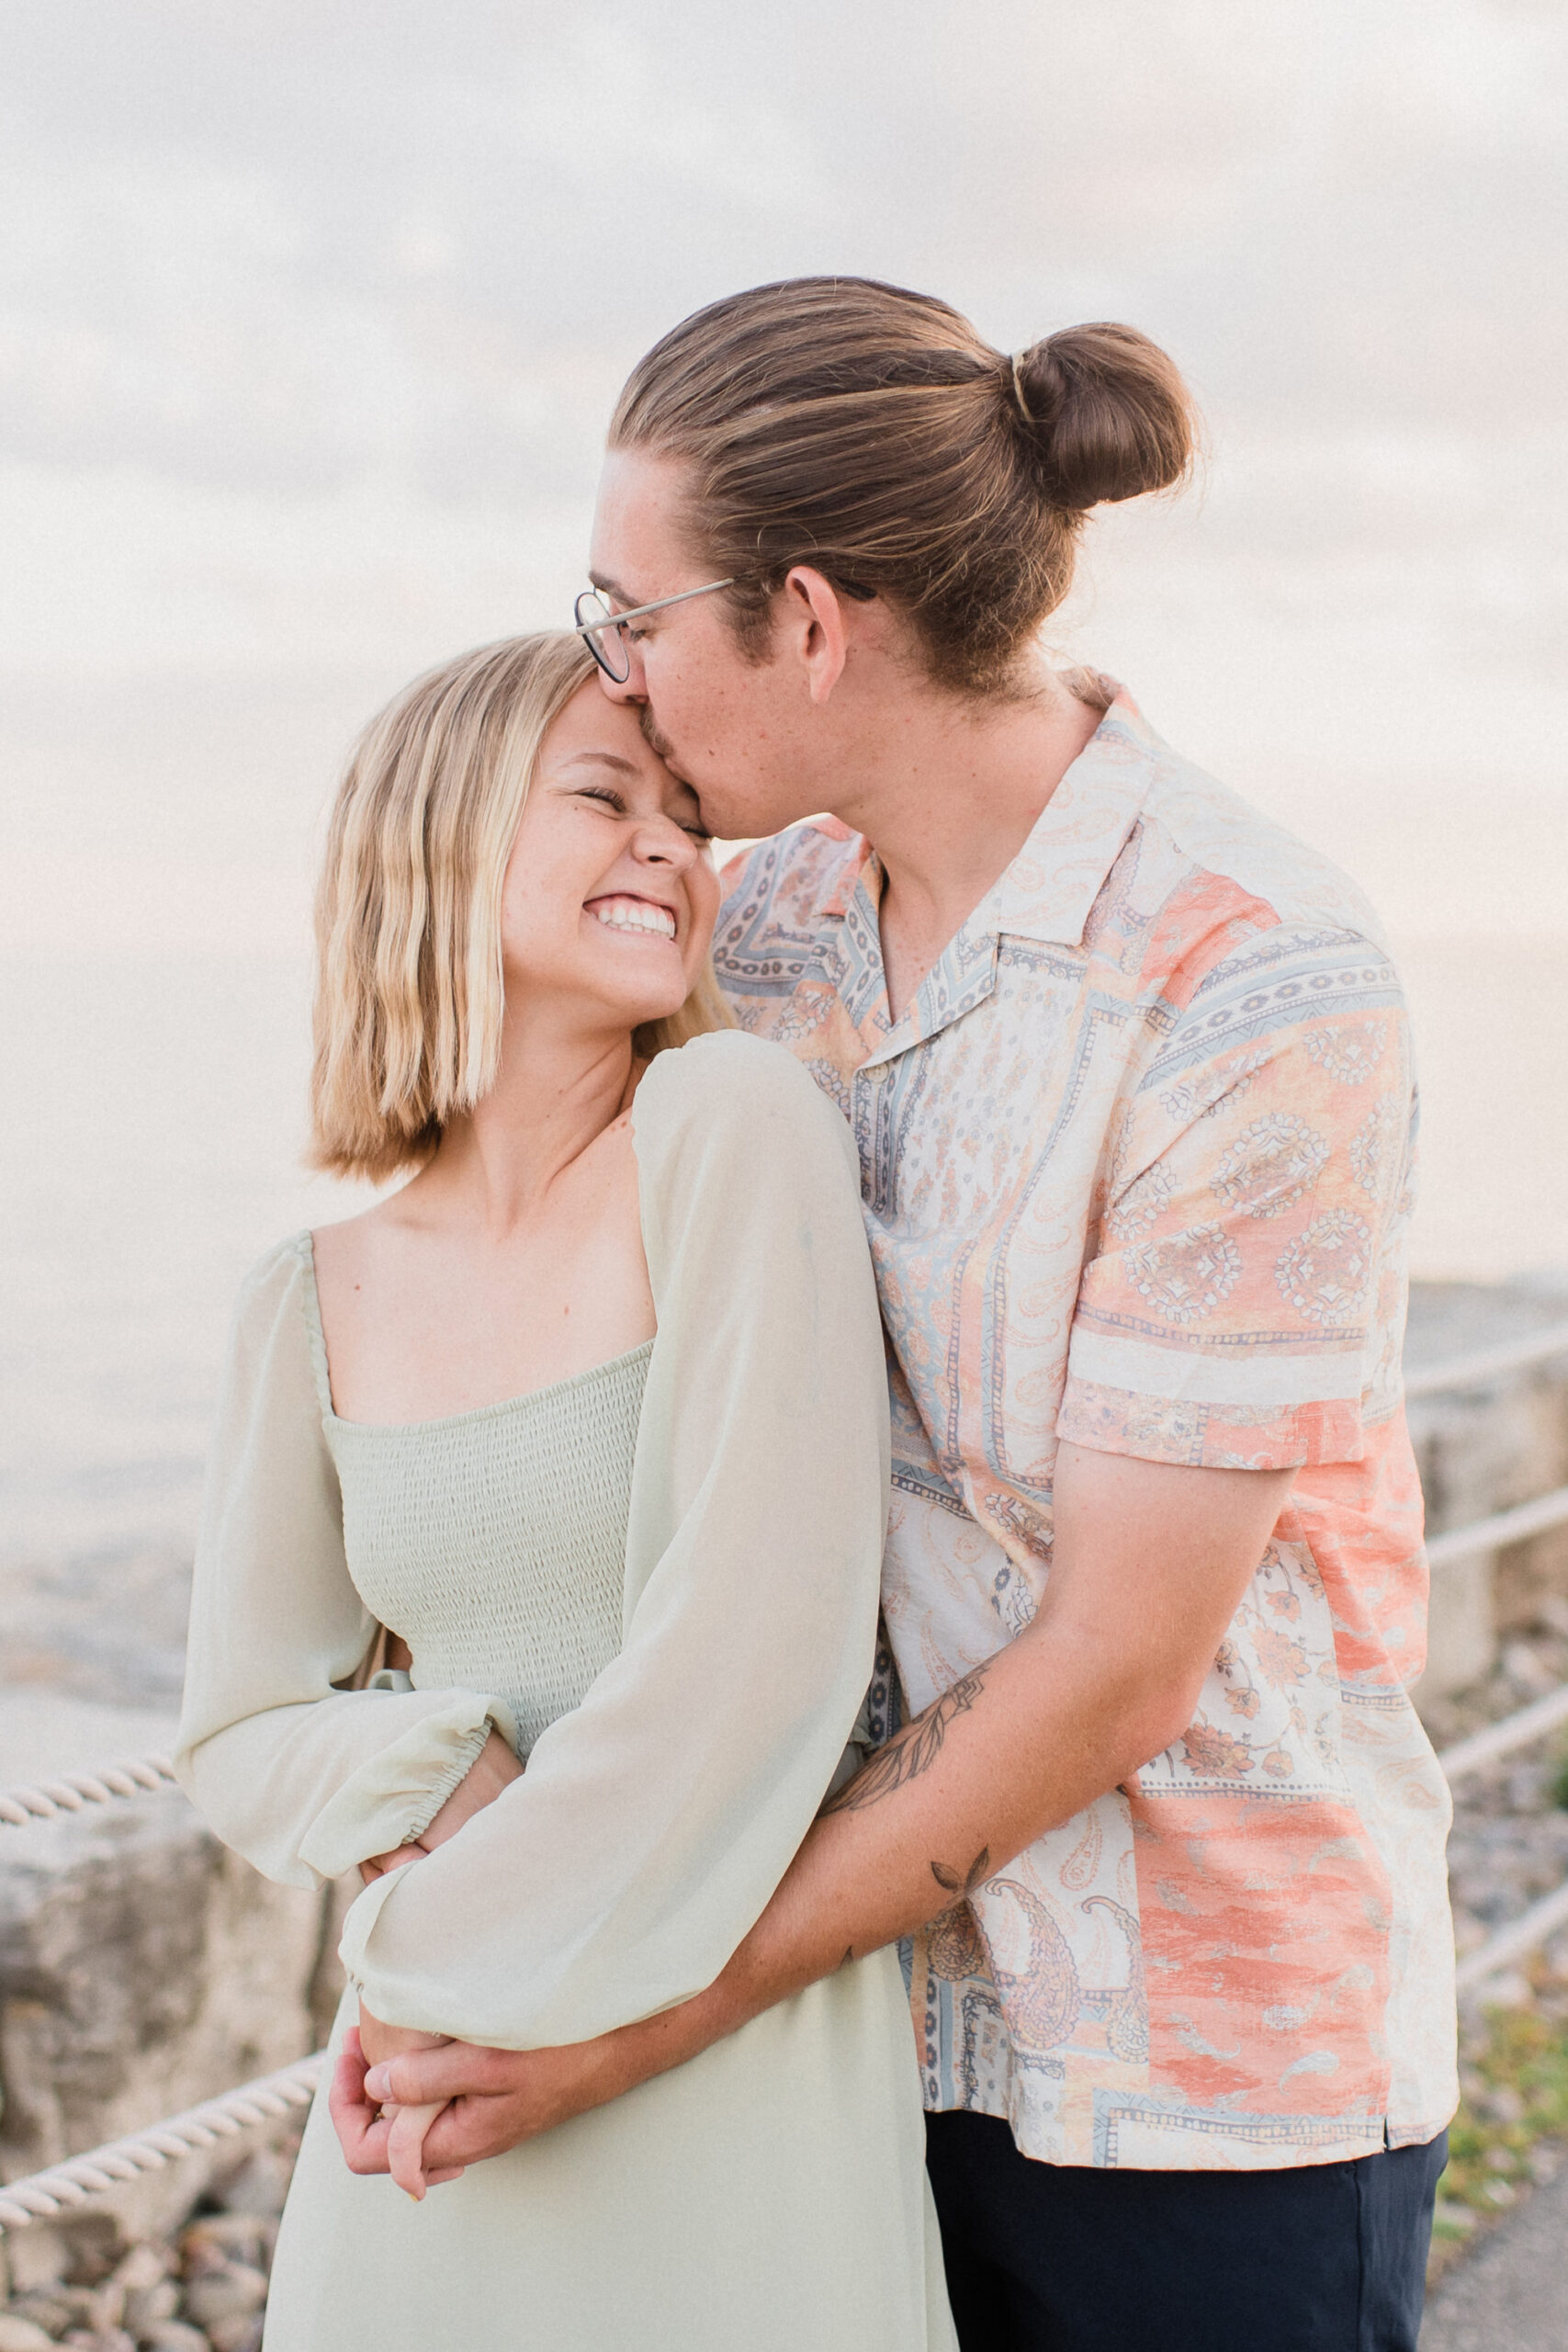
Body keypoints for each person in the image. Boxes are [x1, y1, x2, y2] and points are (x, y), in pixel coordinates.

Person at [347, 280, 1459, 2352]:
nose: (615, 672)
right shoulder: (751, 932)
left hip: (1188, 2086)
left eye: (631, 616)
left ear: (808, 618)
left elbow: (1117, 1663)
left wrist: (635, 2002)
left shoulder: (1245, 976)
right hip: (835, 2049)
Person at [175, 628, 955, 2352]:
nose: (673, 848)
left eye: (688, 814)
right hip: (430, 2143)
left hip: (702, 2077)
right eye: (607, 797)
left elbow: (758, 1660)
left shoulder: (727, 1128)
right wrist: (441, 1768)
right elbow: (237, 1729)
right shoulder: (307, 1295)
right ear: (437, 844)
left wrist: (472, 1963)